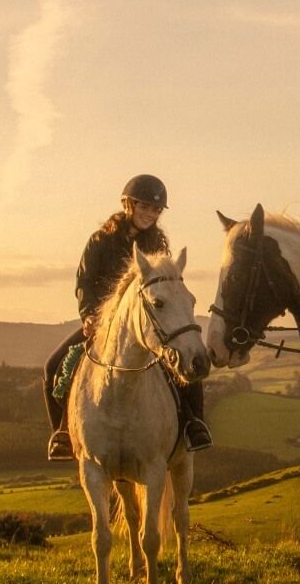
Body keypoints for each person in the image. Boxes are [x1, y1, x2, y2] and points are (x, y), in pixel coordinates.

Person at [44, 174, 214, 461]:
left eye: (156, 210)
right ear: (128, 205)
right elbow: (85, 281)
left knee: (185, 361)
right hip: (103, 323)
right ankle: (63, 433)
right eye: (145, 207)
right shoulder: (100, 240)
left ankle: (194, 424)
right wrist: (88, 315)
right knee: (52, 368)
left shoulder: (156, 244)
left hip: (145, 325)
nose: (150, 214)